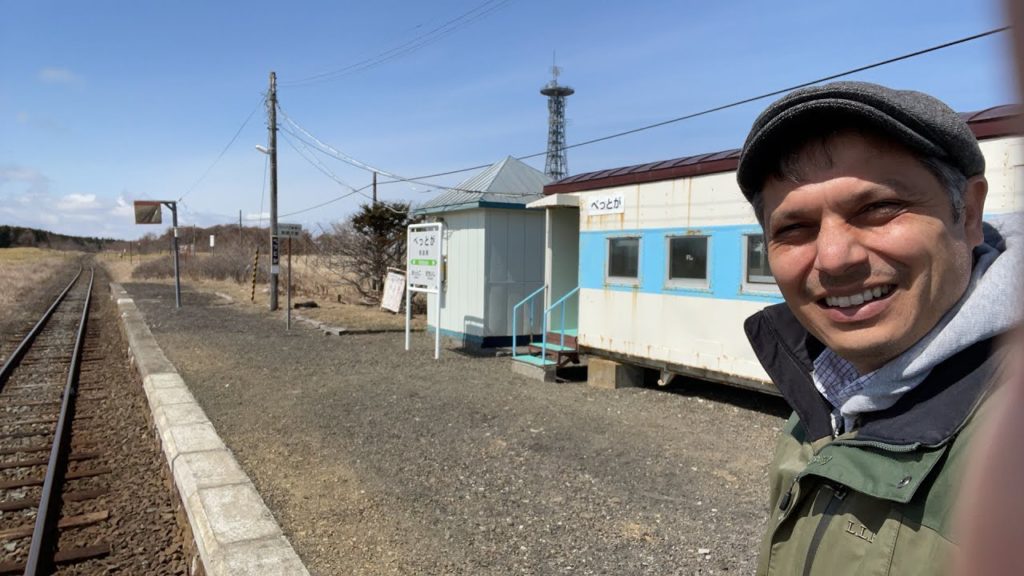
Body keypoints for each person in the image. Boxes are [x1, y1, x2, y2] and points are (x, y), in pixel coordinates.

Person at [735, 80, 1022, 575]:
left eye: (878, 208)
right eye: (794, 229)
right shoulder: (825, 393)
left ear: (968, 212)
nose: (833, 259)